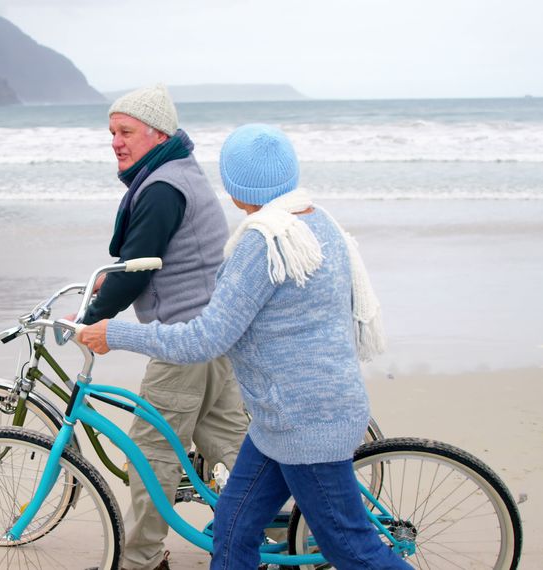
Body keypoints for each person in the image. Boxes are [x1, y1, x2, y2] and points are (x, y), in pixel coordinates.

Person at [78, 124, 409, 569]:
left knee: (352, 548)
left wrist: (113, 334)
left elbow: (206, 338)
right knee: (233, 530)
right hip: (284, 419)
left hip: (304, 424)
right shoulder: (315, 221)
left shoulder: (263, 242)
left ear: (236, 186)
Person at [82, 83, 249, 570]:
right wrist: (102, 291)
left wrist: (91, 323)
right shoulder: (179, 172)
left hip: (184, 340)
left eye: (127, 131)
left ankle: (141, 559)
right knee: (228, 442)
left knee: (150, 452)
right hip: (214, 330)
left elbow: (139, 268)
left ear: (157, 134)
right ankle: (273, 526)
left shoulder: (160, 188)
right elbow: (158, 258)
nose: (116, 140)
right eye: (112, 132)